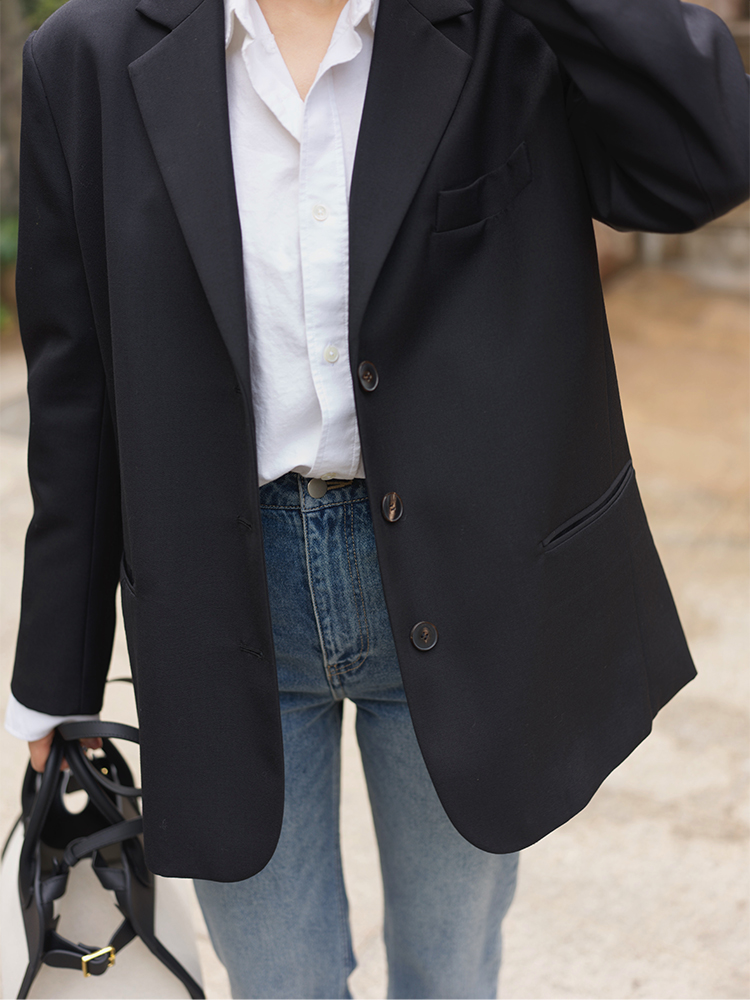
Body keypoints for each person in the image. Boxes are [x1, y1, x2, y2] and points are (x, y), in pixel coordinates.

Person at [5, 0, 748, 997]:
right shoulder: (86, 58)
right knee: (278, 985)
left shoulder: (505, 30)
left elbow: (710, 153)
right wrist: (56, 674)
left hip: (466, 583)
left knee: (450, 971)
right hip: (221, 604)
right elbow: (75, 393)